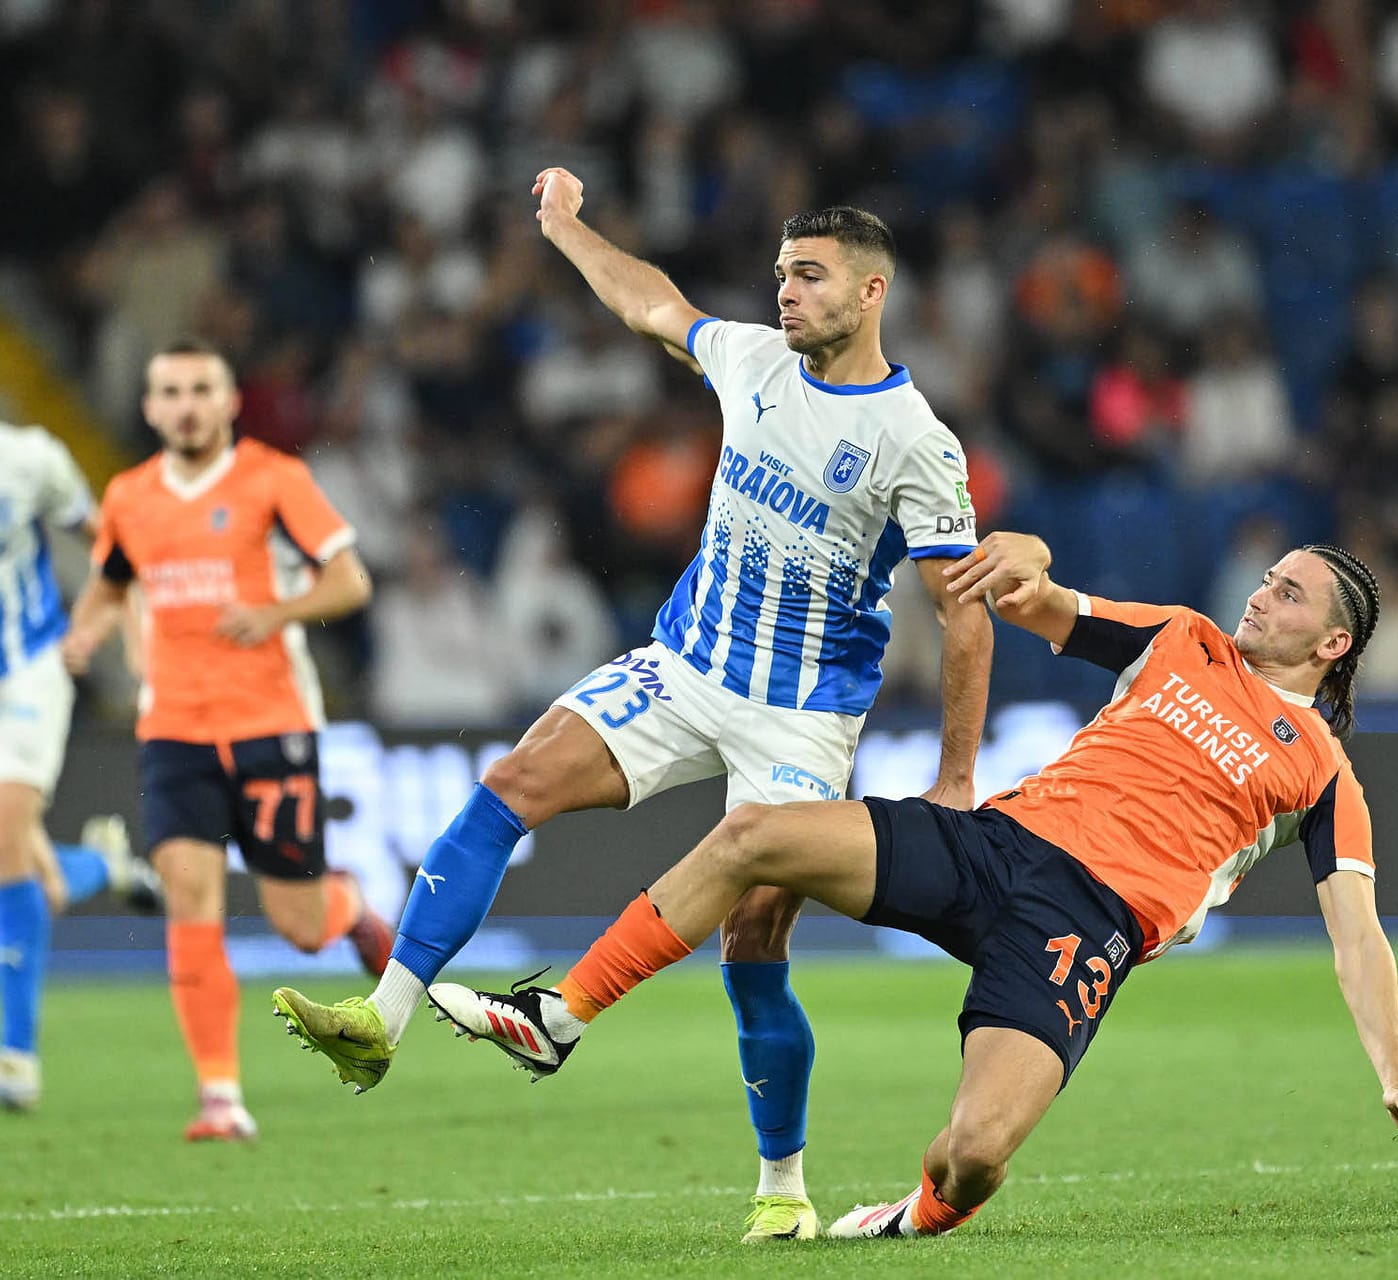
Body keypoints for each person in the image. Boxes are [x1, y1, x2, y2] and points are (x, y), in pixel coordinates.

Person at [273, 171, 992, 1243]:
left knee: (754, 937)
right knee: (512, 778)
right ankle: (381, 1018)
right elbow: (651, 302)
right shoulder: (750, 358)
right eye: (782, 274)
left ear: (872, 290)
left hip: (801, 715)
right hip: (686, 664)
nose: (786, 293)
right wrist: (565, 227)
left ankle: (783, 1186)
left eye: (810, 276)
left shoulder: (913, 439)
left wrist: (957, 775)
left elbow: (964, 615)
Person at [422, 533, 1398, 1239]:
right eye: (1268, 576)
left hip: (1081, 926)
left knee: (971, 1154)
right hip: (995, 846)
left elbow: (1358, 934)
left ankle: (917, 1215)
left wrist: (1393, 1070)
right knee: (752, 837)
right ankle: (561, 1013)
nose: (1260, 592)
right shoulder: (1182, 638)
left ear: (1332, 643)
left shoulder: (1324, 773)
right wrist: (1027, 552)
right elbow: (1037, 600)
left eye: (1288, 592)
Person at [61, 339, 391, 1141]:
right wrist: (82, 636)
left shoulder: (273, 479)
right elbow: (110, 586)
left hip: (270, 725)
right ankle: (220, 1097)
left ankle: (345, 907)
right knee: (189, 900)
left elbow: (351, 581)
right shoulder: (129, 496)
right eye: (169, 391)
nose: (185, 405)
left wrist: (276, 614)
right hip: (173, 729)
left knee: (299, 927)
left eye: (200, 389)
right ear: (148, 407)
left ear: (229, 400)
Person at [0, 320, 158, 1113]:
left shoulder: (27, 458)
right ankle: (103, 866)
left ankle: (16, 1060)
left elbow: (111, 542)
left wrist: (116, 628)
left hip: (25, 673)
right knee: (28, 876)